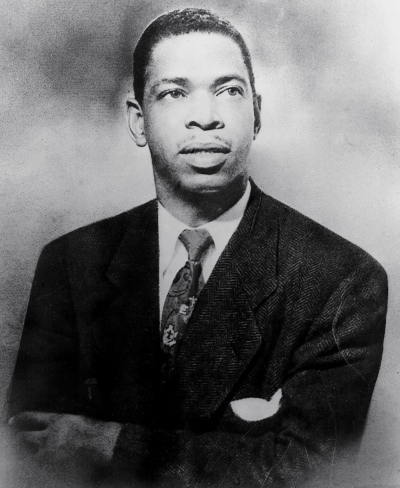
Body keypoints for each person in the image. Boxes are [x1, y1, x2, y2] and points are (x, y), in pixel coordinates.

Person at [7, 8, 388, 488]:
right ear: (138, 121)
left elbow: (309, 472)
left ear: (257, 114)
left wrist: (108, 442)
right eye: (174, 92)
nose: (205, 118)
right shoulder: (70, 262)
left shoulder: (342, 279)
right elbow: (32, 453)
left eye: (229, 91)